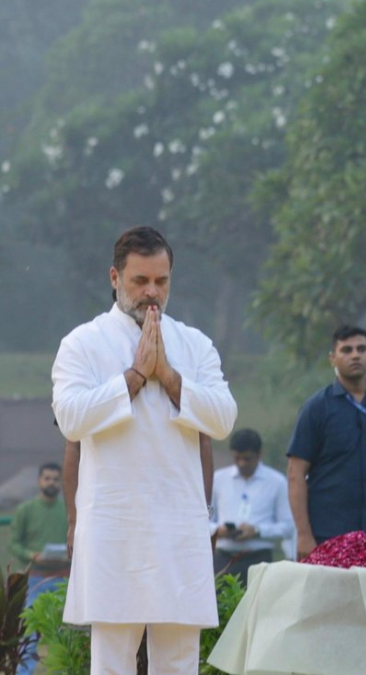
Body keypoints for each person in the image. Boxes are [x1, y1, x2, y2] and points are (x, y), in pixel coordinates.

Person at [51, 226, 237, 675]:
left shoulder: (194, 344)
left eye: (161, 280)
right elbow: (72, 419)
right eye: (141, 280)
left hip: (179, 526)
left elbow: (222, 420)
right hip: (115, 527)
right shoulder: (83, 343)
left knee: (178, 663)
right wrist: (135, 376)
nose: (152, 292)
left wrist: (168, 375)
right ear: (115, 277)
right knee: (112, 663)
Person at [286, 325, 366, 561]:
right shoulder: (316, 408)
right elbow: (296, 474)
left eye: (361, 349)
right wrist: (304, 534)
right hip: (328, 535)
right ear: (332, 359)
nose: (355, 355)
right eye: (346, 350)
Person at [209, 429, 294, 584]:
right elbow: (204, 520)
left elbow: (288, 527)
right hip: (223, 558)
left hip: (259, 558)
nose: (242, 463)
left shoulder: (277, 482)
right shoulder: (219, 479)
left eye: (247, 459)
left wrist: (257, 531)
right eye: (237, 458)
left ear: (259, 454)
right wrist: (218, 530)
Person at [10, 462, 69, 675]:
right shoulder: (26, 510)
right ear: (39, 481)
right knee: (29, 631)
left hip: (64, 580)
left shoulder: (69, 510)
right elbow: (14, 543)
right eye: (47, 478)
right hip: (34, 579)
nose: (51, 482)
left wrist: (71, 553)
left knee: (65, 632)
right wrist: (32, 555)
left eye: (55, 479)